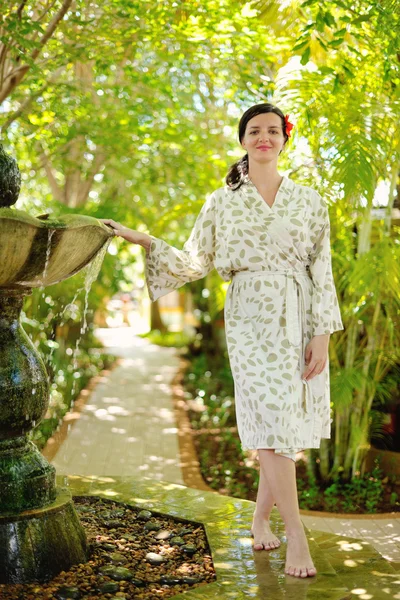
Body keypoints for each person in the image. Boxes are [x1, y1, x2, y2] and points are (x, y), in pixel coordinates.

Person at [100, 103, 344, 579]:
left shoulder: (310, 201)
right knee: (271, 420)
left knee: (284, 429)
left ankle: (259, 520)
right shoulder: (221, 201)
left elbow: (322, 269)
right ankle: (297, 536)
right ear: (243, 140)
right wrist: (144, 240)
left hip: (298, 316)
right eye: (256, 130)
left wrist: (321, 335)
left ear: (284, 139)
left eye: (273, 130)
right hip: (250, 317)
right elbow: (194, 260)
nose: (265, 138)